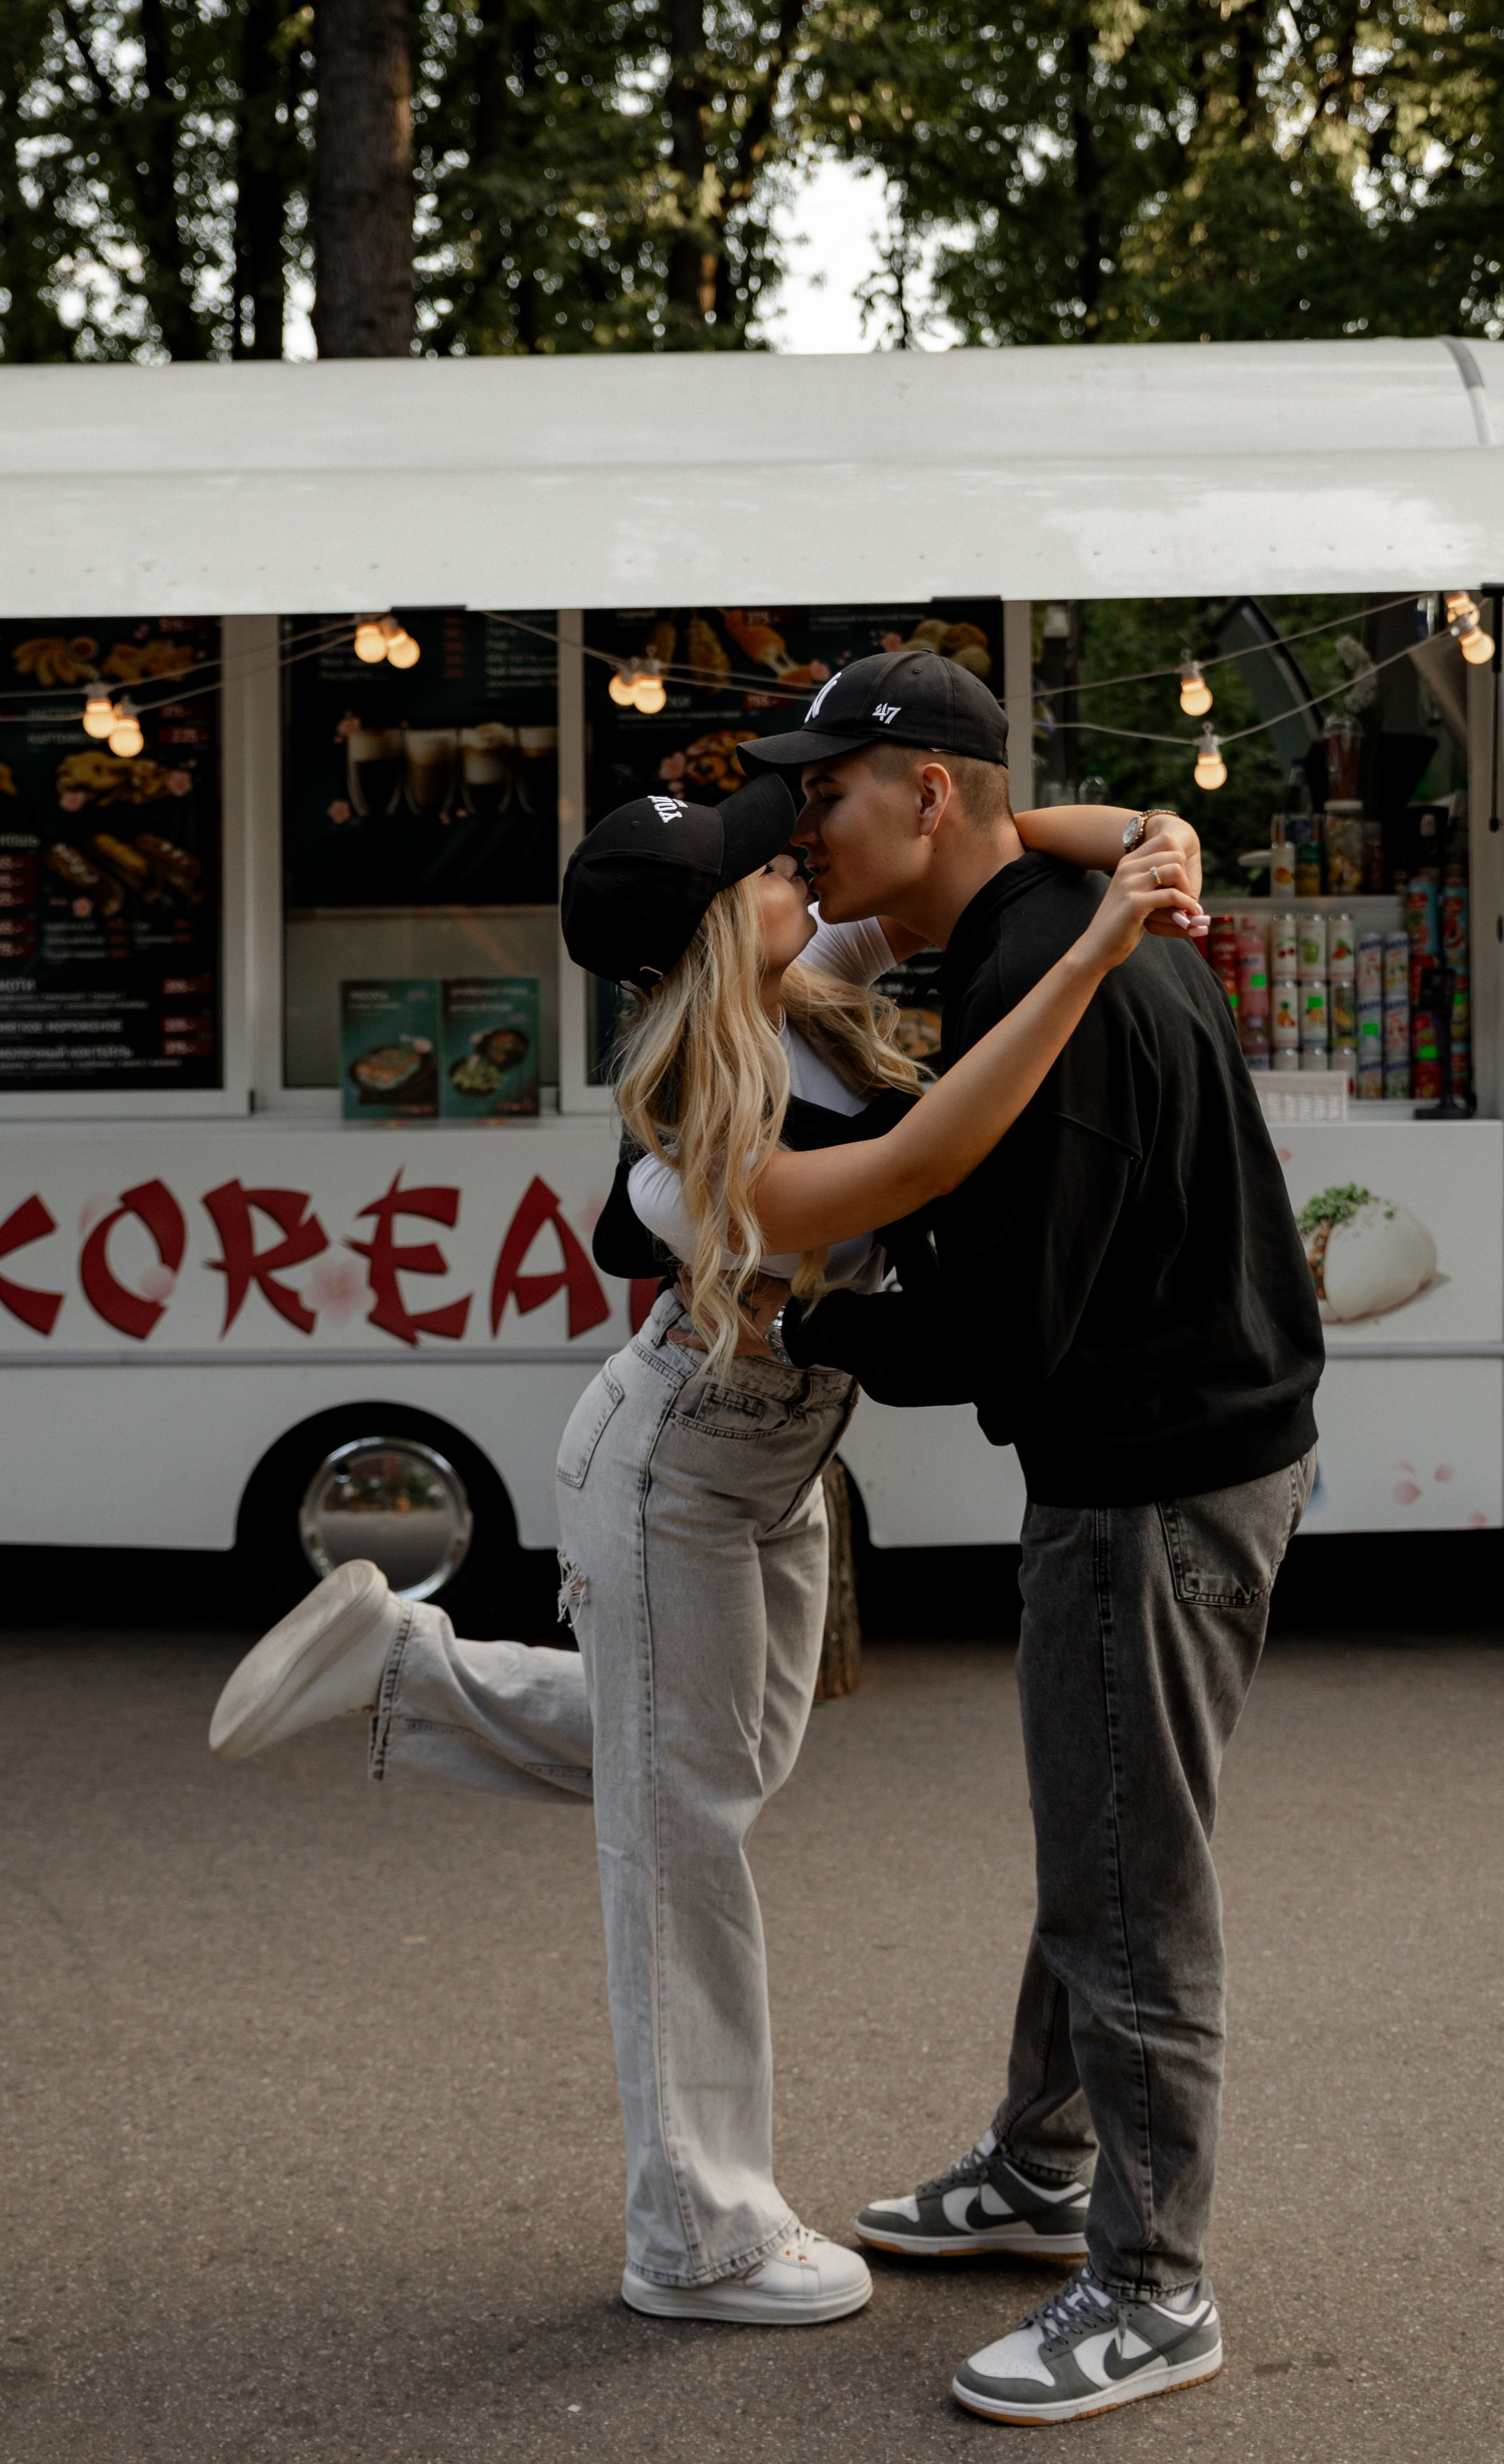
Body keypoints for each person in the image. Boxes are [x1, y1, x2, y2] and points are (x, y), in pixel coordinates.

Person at [207, 750, 1200, 2336]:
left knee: (721, 1756)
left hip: (773, 1466)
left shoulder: (796, 971)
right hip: (673, 1463)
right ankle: (698, 2234)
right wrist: (1092, 948)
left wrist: (1154, 843)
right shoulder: (685, 1152)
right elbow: (918, 1165)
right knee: (682, 1842)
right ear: (710, 929)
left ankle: (402, 1668)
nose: (795, 854)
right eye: (761, 860)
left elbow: (1006, 831)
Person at [732, 649, 1325, 2423]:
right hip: (1199, 1445)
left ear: (926, 795)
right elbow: (1085, 828)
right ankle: (1043, 2163)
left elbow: (1001, 1332)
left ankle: (1149, 2288)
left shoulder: (1036, 985)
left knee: (1128, 1881)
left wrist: (798, 1317)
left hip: (1147, 1482)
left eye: (823, 792)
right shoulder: (1062, 908)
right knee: (1105, 1841)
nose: (799, 827)